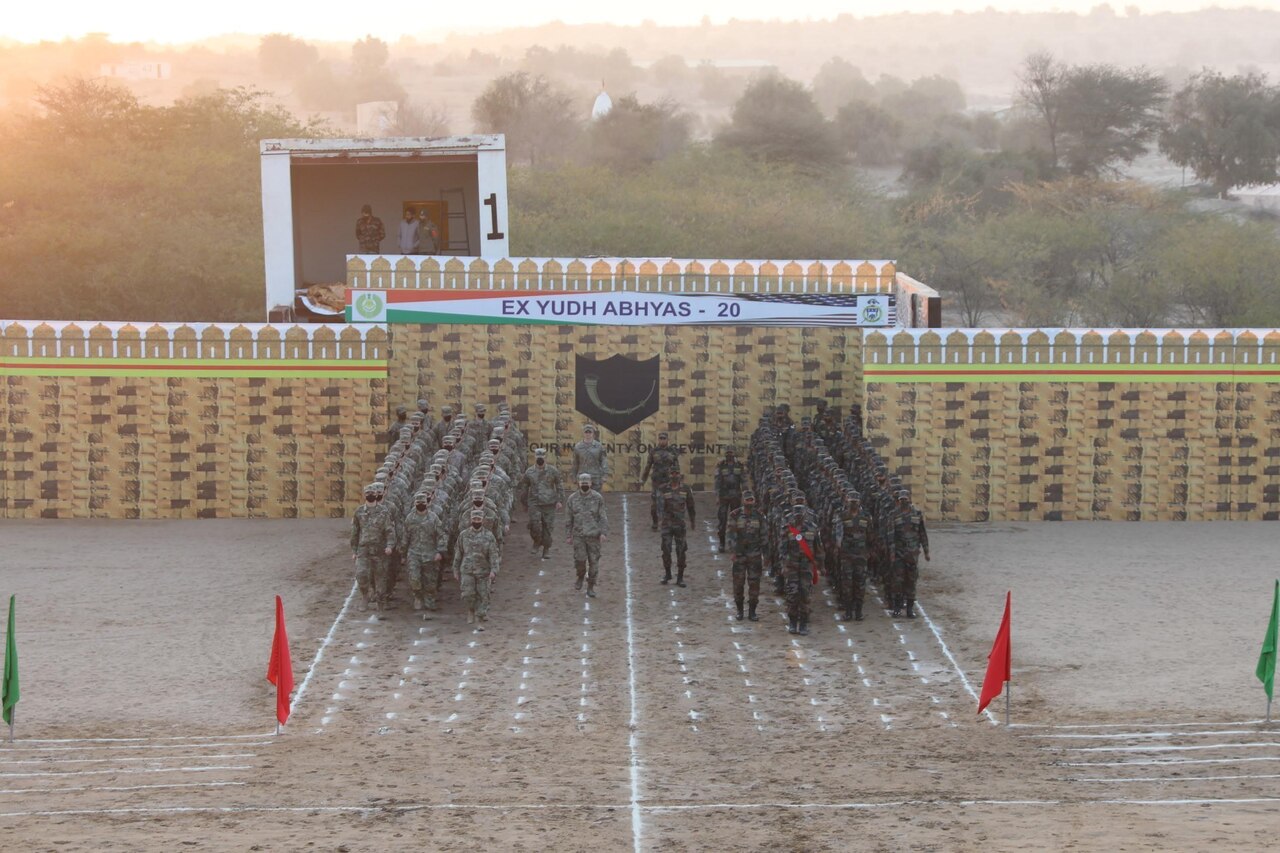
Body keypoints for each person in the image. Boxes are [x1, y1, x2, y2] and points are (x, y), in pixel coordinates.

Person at [401, 490, 447, 613]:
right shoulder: (410, 518)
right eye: (418, 502)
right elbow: (405, 537)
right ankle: (417, 597)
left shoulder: (433, 518)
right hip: (414, 554)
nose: (420, 504)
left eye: (423, 502)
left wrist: (440, 551)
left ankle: (430, 601)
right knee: (414, 579)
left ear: (427, 503)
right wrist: (403, 553)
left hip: (430, 554)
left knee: (430, 581)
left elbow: (441, 535)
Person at [453, 509, 500, 627]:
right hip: (467, 570)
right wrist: (455, 569)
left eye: (478, 519)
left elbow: (493, 554)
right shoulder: (463, 535)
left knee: (483, 595)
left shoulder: (489, 536)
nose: (476, 521)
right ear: (470, 520)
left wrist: (494, 570)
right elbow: (458, 553)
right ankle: (471, 610)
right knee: (468, 594)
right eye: (474, 519)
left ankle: (479, 618)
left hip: (483, 571)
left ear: (483, 520)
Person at [351, 482, 394, 612]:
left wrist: (390, 545)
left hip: (380, 550)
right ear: (364, 495)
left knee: (380, 578)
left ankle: (381, 604)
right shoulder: (359, 512)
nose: (370, 495)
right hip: (363, 549)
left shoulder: (384, 511)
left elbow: (389, 530)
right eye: (368, 493)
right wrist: (354, 550)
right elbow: (355, 532)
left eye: (373, 493)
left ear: (377, 494)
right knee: (361, 574)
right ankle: (365, 596)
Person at [566, 473, 609, 597]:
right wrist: (568, 535)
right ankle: (580, 576)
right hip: (579, 535)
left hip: (593, 536)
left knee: (594, 563)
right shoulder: (572, 499)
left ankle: (591, 586)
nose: (584, 486)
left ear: (590, 483)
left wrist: (603, 532)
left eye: (586, 483)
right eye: (582, 483)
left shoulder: (598, 498)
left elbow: (603, 517)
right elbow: (568, 519)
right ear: (579, 483)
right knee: (580, 559)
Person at [727, 490, 765, 621]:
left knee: (754, 584)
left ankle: (752, 611)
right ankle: (739, 610)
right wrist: (733, 552)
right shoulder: (735, 515)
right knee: (738, 584)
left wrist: (765, 552)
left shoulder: (759, 515)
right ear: (743, 501)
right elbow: (731, 534)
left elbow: (764, 535)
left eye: (751, 500)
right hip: (739, 555)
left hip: (754, 555)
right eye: (747, 500)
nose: (750, 502)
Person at [519, 447, 563, 560]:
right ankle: (537, 541)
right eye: (538, 457)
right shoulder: (529, 472)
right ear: (535, 458)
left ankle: (546, 549)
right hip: (535, 503)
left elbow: (559, 486)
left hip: (549, 503)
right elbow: (524, 488)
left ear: (545, 457)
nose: (540, 459)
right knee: (534, 525)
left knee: (548, 528)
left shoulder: (553, 471)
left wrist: (560, 500)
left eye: (542, 457)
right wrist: (524, 503)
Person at [892, 490, 930, 618]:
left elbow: (922, 533)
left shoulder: (917, 514)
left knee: (911, 581)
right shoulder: (894, 515)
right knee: (898, 581)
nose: (904, 501)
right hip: (899, 553)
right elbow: (890, 535)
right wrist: (890, 552)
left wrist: (926, 551)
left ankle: (909, 608)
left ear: (910, 499)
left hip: (912, 554)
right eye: (901, 499)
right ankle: (897, 607)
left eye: (906, 499)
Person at [656, 469, 696, 587]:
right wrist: (659, 519)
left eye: (677, 473)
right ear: (669, 475)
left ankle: (680, 577)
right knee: (666, 549)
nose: (674, 475)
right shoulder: (663, 488)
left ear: (680, 475)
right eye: (672, 473)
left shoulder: (686, 489)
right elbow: (659, 505)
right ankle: (667, 573)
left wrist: (693, 521)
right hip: (667, 525)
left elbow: (691, 505)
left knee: (681, 551)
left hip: (680, 525)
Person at [641, 431, 681, 531]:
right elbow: (648, 466)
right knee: (654, 504)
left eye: (664, 439)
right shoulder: (654, 451)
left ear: (667, 440)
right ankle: (655, 523)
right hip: (657, 481)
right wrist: (643, 479)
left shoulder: (672, 451)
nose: (662, 440)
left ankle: (668, 523)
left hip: (669, 481)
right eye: (661, 439)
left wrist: (677, 481)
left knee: (670, 503)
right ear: (658, 440)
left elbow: (676, 468)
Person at [714, 449, 745, 550]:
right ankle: (722, 543)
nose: (729, 455)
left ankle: (735, 542)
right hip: (724, 496)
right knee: (722, 519)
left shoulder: (739, 465)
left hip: (736, 496)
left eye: (731, 453)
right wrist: (717, 496)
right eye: (727, 453)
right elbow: (717, 481)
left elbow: (743, 481)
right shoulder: (721, 465)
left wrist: (745, 494)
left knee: (736, 519)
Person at [571, 424, 610, 491]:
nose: (588, 434)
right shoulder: (578, 447)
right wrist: (574, 476)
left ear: (593, 434)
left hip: (595, 477)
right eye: (586, 432)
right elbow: (575, 463)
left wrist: (605, 475)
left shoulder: (599, 446)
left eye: (590, 432)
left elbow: (604, 461)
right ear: (583, 433)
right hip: (582, 477)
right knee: (582, 498)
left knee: (596, 498)